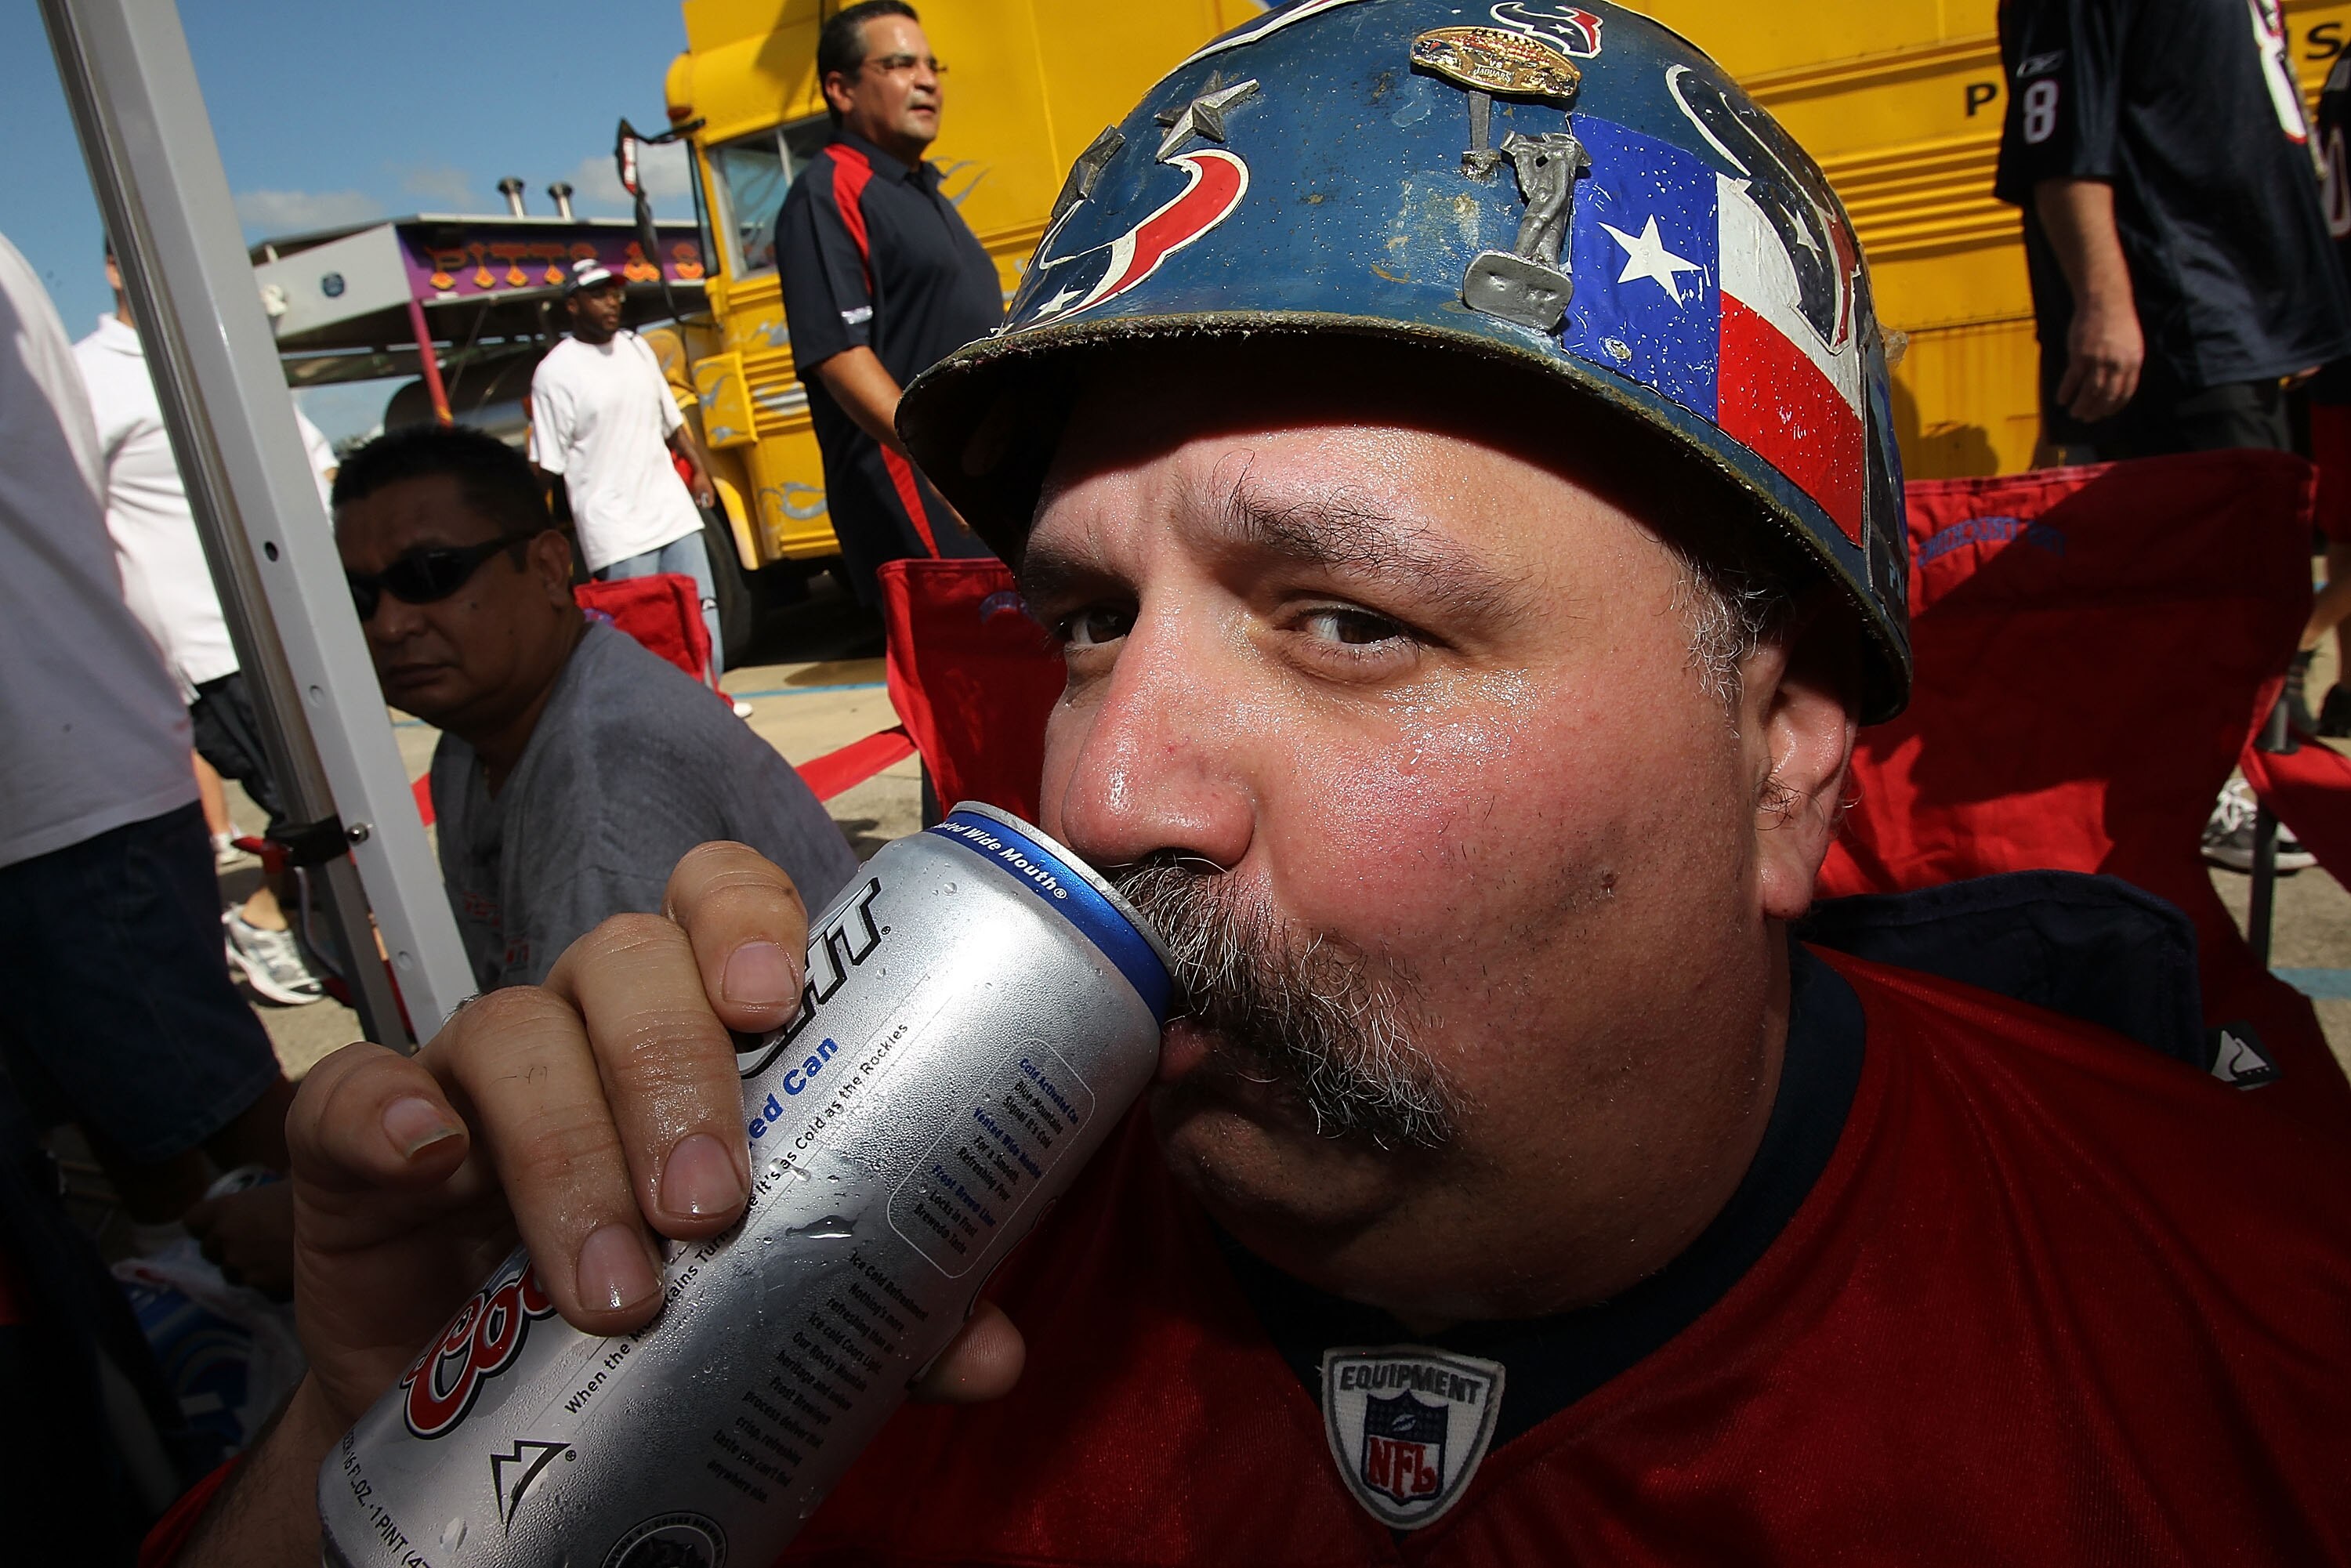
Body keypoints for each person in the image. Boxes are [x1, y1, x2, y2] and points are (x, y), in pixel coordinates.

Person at [160, 4, 2351, 1563]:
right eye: (1087, 622)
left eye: (1350, 622)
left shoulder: (2257, 1342)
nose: (1096, 783)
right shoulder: (811, 1364)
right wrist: (383, 1449)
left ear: (1785, 755)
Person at [0, 230, 295, 1250]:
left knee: (211, 1121)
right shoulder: (72, 341)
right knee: (141, 1138)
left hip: (60, 786)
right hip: (81, 756)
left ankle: (417, 1314)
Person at [332, 423, 857, 990]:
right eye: (358, 596)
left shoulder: (606, 782)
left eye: (430, 573)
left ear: (549, 569)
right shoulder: (469, 745)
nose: (389, 623)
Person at [74, 241, 331, 1005]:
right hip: (203, 639)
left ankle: (310, 919)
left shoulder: (219, 354)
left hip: (289, 618)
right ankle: (265, 916)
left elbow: (308, 457)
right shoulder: (88, 374)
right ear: (114, 268)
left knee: (334, 798)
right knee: (306, 801)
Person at [1993, 0, 2351, 463]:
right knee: (2210, 524)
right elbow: (2062, 152)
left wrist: (2299, 308)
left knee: (2266, 523)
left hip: (2247, 329)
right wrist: (2103, 306)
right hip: (2178, 333)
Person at [776, 0, 1000, 608]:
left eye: (931, 65)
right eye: (900, 64)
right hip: (920, 493)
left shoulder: (923, 189)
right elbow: (840, 354)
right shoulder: (826, 193)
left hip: (978, 478)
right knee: (957, 683)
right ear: (841, 89)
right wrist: (938, 456)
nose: (926, 80)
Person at [527, 258, 748, 715]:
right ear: (572, 305)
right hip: (615, 527)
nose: (612, 302)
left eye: (615, 293)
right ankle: (657, 715)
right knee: (641, 630)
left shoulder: (636, 348)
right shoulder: (556, 373)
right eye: (597, 294)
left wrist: (700, 470)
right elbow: (546, 463)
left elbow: (671, 421)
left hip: (670, 511)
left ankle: (710, 703)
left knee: (701, 613)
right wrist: (530, 528)